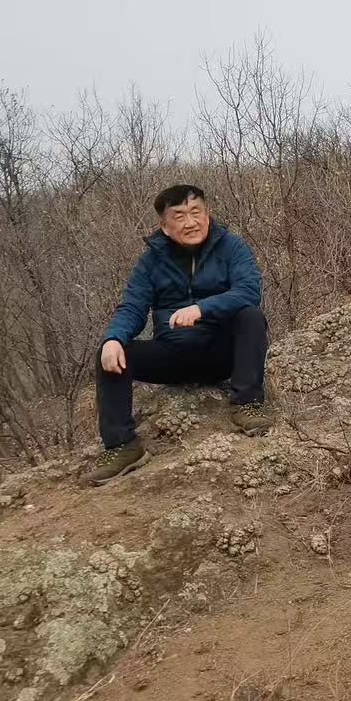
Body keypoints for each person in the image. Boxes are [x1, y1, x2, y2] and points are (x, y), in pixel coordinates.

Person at [86, 184, 272, 485]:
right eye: (180, 216)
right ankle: (122, 445)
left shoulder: (231, 247)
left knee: (251, 315)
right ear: (165, 225)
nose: (190, 222)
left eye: (196, 212)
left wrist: (202, 308)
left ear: (207, 214)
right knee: (111, 352)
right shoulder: (150, 261)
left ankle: (247, 403)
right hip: (173, 357)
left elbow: (248, 291)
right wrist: (113, 338)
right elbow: (132, 307)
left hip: (222, 355)